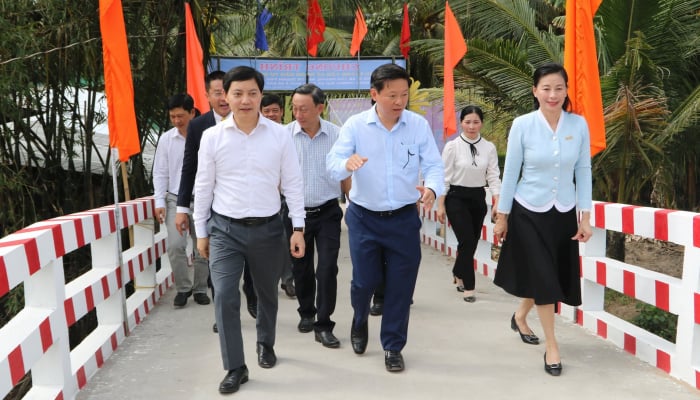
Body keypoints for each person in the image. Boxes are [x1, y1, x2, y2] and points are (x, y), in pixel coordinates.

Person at [193, 66, 306, 394]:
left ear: (261, 95)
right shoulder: (212, 137)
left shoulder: (279, 135)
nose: (245, 100)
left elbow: (293, 184)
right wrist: (202, 232)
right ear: (224, 96)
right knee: (225, 295)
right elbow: (204, 186)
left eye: (252, 93)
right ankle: (235, 366)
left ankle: (265, 343)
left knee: (267, 293)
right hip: (225, 230)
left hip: (269, 229)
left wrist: (297, 228)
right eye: (237, 93)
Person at [326, 63, 444, 372]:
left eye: (404, 95)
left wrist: (432, 188)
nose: (399, 101)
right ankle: (359, 319)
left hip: (404, 217)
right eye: (392, 95)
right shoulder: (355, 126)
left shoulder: (417, 126)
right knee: (365, 282)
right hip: (364, 217)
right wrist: (346, 164)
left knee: (401, 285)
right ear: (374, 94)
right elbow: (333, 163)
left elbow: (433, 164)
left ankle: (393, 345)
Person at [493, 62, 593, 377]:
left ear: (566, 91)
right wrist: (502, 216)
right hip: (527, 213)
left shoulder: (578, 125)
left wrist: (585, 216)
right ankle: (552, 344)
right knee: (546, 279)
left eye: (559, 88)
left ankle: (520, 316)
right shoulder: (522, 124)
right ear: (535, 91)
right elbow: (511, 173)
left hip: (562, 212)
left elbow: (583, 172)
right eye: (546, 88)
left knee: (547, 275)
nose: (552, 95)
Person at [175, 70, 258, 330]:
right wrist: (181, 208)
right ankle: (222, 312)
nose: (223, 98)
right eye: (217, 92)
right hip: (213, 209)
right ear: (208, 95)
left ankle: (253, 296)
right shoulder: (199, 126)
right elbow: (190, 169)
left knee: (253, 265)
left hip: (251, 208)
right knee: (217, 265)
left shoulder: (253, 120)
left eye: (227, 91)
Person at [286, 83, 350, 348]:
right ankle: (306, 312)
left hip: (327, 212)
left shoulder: (337, 135)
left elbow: (346, 174)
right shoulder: (283, 136)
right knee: (300, 269)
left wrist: (353, 203)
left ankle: (323, 324)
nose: (298, 114)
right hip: (294, 215)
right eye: (295, 109)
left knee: (326, 268)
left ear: (319, 108)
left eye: (304, 109)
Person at [437, 105, 501, 303]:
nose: (471, 126)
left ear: (481, 123)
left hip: (477, 199)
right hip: (456, 198)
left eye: (476, 122)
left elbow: (493, 176)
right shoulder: (452, 147)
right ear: (461, 123)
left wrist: (497, 200)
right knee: (466, 241)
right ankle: (469, 286)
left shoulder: (488, 147)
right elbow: (444, 178)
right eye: (467, 122)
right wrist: (440, 205)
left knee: (470, 242)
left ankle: (458, 271)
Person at [153, 94, 210, 307]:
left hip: (203, 198)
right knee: (175, 245)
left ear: (192, 113)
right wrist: (159, 200)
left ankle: (201, 288)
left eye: (181, 116)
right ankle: (183, 288)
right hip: (175, 199)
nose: (177, 121)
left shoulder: (208, 136)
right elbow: (160, 172)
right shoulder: (167, 139)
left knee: (202, 246)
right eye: (172, 117)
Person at [261, 93, 296, 298]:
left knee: (285, 239)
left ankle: (288, 279)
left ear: (282, 112)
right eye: (267, 111)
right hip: (262, 198)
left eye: (275, 110)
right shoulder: (255, 135)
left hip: (285, 197)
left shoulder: (288, 134)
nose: (271, 114)